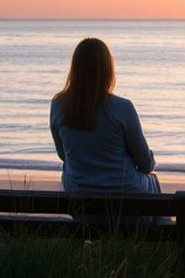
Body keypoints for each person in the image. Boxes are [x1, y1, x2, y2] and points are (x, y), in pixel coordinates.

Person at [50, 38, 161, 194]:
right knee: (152, 179)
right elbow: (145, 165)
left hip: (78, 192)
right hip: (124, 195)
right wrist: (150, 159)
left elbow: (64, 155)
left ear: (75, 69)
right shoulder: (123, 107)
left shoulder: (58, 105)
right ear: (108, 69)